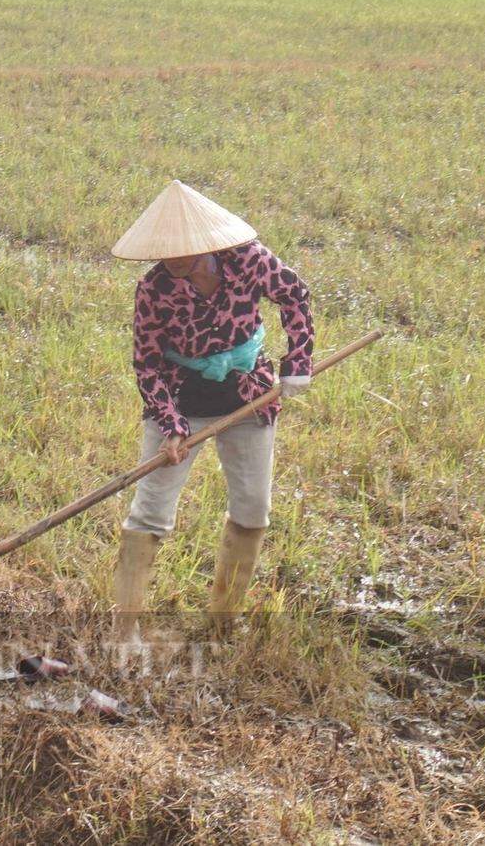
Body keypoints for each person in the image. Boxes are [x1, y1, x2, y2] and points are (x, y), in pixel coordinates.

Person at [109, 180, 313, 633]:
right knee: (151, 509)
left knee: (253, 505)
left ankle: (222, 621)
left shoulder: (250, 261)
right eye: (164, 252)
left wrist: (297, 362)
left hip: (248, 393)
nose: (173, 260)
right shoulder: (154, 289)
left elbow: (295, 296)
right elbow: (147, 365)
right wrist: (172, 424)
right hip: (181, 397)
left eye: (183, 250)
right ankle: (125, 630)